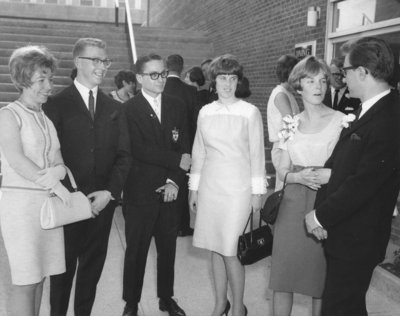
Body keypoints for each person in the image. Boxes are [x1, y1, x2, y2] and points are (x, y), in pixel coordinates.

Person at [305, 37, 400, 316]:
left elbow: (364, 183)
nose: (342, 77)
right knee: (347, 306)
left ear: (362, 72)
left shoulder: (389, 116)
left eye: (345, 70)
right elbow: (344, 167)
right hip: (346, 229)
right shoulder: (369, 108)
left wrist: (320, 216)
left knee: (339, 307)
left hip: (359, 236)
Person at [43, 37, 131, 316]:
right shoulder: (55, 105)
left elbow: (124, 155)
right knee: (61, 273)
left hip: (102, 205)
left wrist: (109, 192)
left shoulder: (115, 108)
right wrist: (68, 194)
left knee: (92, 271)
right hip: (67, 204)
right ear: (78, 62)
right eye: (95, 60)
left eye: (105, 61)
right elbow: (49, 156)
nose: (102, 66)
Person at [189, 54, 267, 316]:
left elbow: (258, 155)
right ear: (214, 81)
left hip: (238, 190)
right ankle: (220, 303)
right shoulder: (205, 111)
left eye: (232, 79)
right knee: (216, 246)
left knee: (232, 249)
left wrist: (258, 193)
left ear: (238, 81)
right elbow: (199, 151)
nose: (227, 84)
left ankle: (238, 309)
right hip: (211, 187)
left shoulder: (249, 112)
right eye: (222, 78)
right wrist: (193, 188)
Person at [269, 56, 344, 316]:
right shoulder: (290, 124)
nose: (318, 86)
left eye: (323, 80)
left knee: (320, 280)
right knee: (282, 276)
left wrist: (329, 175)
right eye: (310, 80)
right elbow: (282, 170)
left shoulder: (341, 121)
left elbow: (350, 169)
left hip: (325, 201)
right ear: (298, 85)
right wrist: (297, 177)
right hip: (291, 204)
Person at [0, 45, 70, 316]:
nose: (49, 86)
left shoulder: (45, 118)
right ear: (23, 79)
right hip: (20, 207)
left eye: (50, 79)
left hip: (47, 208)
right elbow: (16, 160)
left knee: (41, 276)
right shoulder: (8, 115)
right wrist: (53, 182)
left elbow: (58, 156)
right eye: (42, 80)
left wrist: (60, 171)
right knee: (25, 279)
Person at [122, 53, 190, 316]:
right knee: (136, 251)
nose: (160, 79)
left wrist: (174, 180)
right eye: (154, 75)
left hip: (171, 191)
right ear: (139, 78)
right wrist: (177, 160)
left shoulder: (176, 105)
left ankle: (166, 297)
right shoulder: (128, 109)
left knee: (168, 249)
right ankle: (131, 301)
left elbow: (184, 144)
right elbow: (137, 149)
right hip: (140, 192)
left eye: (163, 73)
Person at [164, 54, 198, 237]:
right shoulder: (190, 91)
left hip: (163, 144)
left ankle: (163, 223)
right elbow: (194, 121)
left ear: (166, 67)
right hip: (185, 144)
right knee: (183, 183)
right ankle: (183, 225)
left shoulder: (160, 86)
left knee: (163, 179)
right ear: (182, 67)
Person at [266, 54, 300, 190]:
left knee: (287, 189)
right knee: (283, 190)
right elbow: (290, 123)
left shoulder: (287, 93)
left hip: (287, 146)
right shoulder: (280, 93)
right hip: (283, 148)